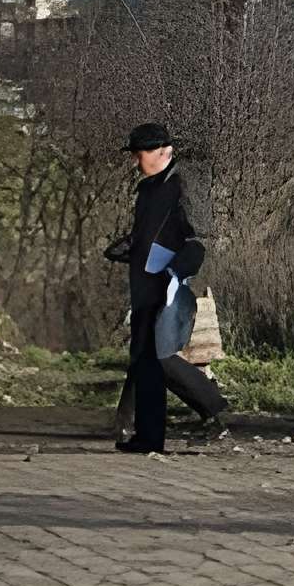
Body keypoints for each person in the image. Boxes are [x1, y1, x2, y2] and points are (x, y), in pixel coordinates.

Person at [108, 121, 227, 453]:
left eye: (139, 154)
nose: (135, 162)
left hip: (176, 281)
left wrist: (177, 274)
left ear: (162, 151)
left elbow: (198, 237)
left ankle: (213, 407)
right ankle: (141, 433)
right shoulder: (148, 189)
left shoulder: (185, 184)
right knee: (144, 356)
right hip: (148, 279)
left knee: (158, 355)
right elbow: (148, 232)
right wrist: (128, 247)